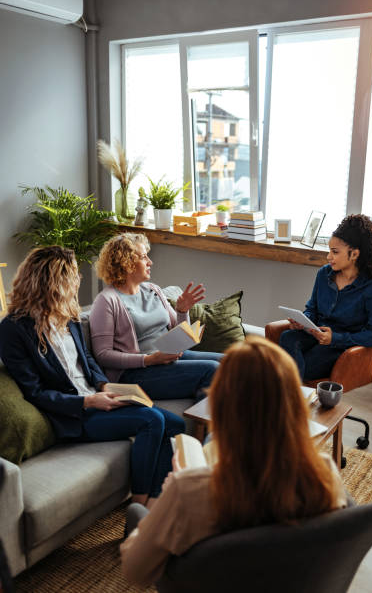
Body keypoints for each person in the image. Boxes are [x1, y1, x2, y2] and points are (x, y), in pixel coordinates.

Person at [120, 336, 347, 587]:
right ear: (294, 405)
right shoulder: (324, 471)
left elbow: (135, 572)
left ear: (221, 406)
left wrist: (166, 498)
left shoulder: (189, 490)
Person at [0, 246, 184, 506]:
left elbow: (86, 359)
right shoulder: (14, 329)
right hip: (73, 415)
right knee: (152, 420)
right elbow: (35, 392)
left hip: (97, 394)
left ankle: (155, 501)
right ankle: (142, 504)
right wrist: (88, 402)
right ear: (56, 281)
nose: (79, 280)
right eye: (74, 275)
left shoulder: (68, 313)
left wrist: (103, 384)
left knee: (177, 425)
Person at [89, 233, 222, 401]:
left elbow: (181, 335)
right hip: (135, 373)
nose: (150, 262)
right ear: (127, 263)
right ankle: (205, 424)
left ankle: (212, 417)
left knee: (228, 362)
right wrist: (149, 359)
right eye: (144, 257)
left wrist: (182, 311)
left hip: (166, 359)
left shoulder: (153, 289)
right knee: (212, 369)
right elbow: (103, 354)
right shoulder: (106, 301)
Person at [279, 214, 372, 380]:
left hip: (340, 347)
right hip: (315, 335)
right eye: (329, 250)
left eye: (335, 252)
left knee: (295, 367)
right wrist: (303, 321)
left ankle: (291, 398)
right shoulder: (324, 274)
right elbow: (312, 309)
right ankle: (295, 397)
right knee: (287, 337)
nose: (328, 256)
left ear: (354, 254)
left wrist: (335, 338)